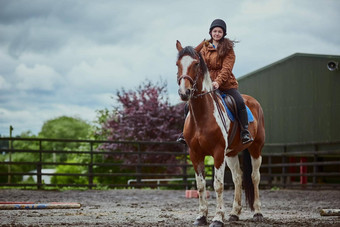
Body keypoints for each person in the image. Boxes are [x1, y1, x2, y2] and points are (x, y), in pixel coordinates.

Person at [177, 19, 253, 145]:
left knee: (239, 102)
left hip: (226, 84)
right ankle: (185, 133)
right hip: (208, 84)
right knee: (188, 105)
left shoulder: (228, 49)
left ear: (223, 33)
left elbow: (227, 69)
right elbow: (199, 66)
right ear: (211, 32)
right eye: (214, 31)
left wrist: (218, 82)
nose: (217, 33)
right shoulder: (204, 48)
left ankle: (245, 131)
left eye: (219, 31)